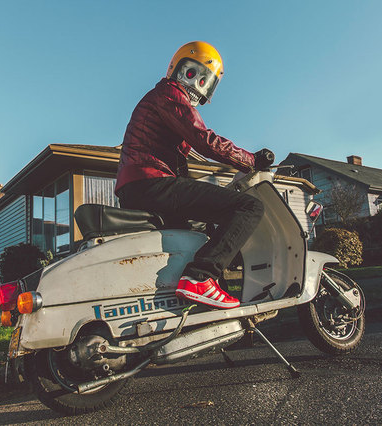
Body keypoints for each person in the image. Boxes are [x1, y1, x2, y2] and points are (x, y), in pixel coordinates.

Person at [115, 41, 272, 309]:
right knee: (249, 207)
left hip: (141, 185)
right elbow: (204, 139)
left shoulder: (160, 98)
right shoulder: (169, 93)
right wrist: (251, 161)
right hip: (150, 182)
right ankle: (200, 278)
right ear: (176, 69)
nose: (197, 84)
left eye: (205, 80)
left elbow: (178, 162)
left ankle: (196, 303)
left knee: (197, 232)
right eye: (192, 73)